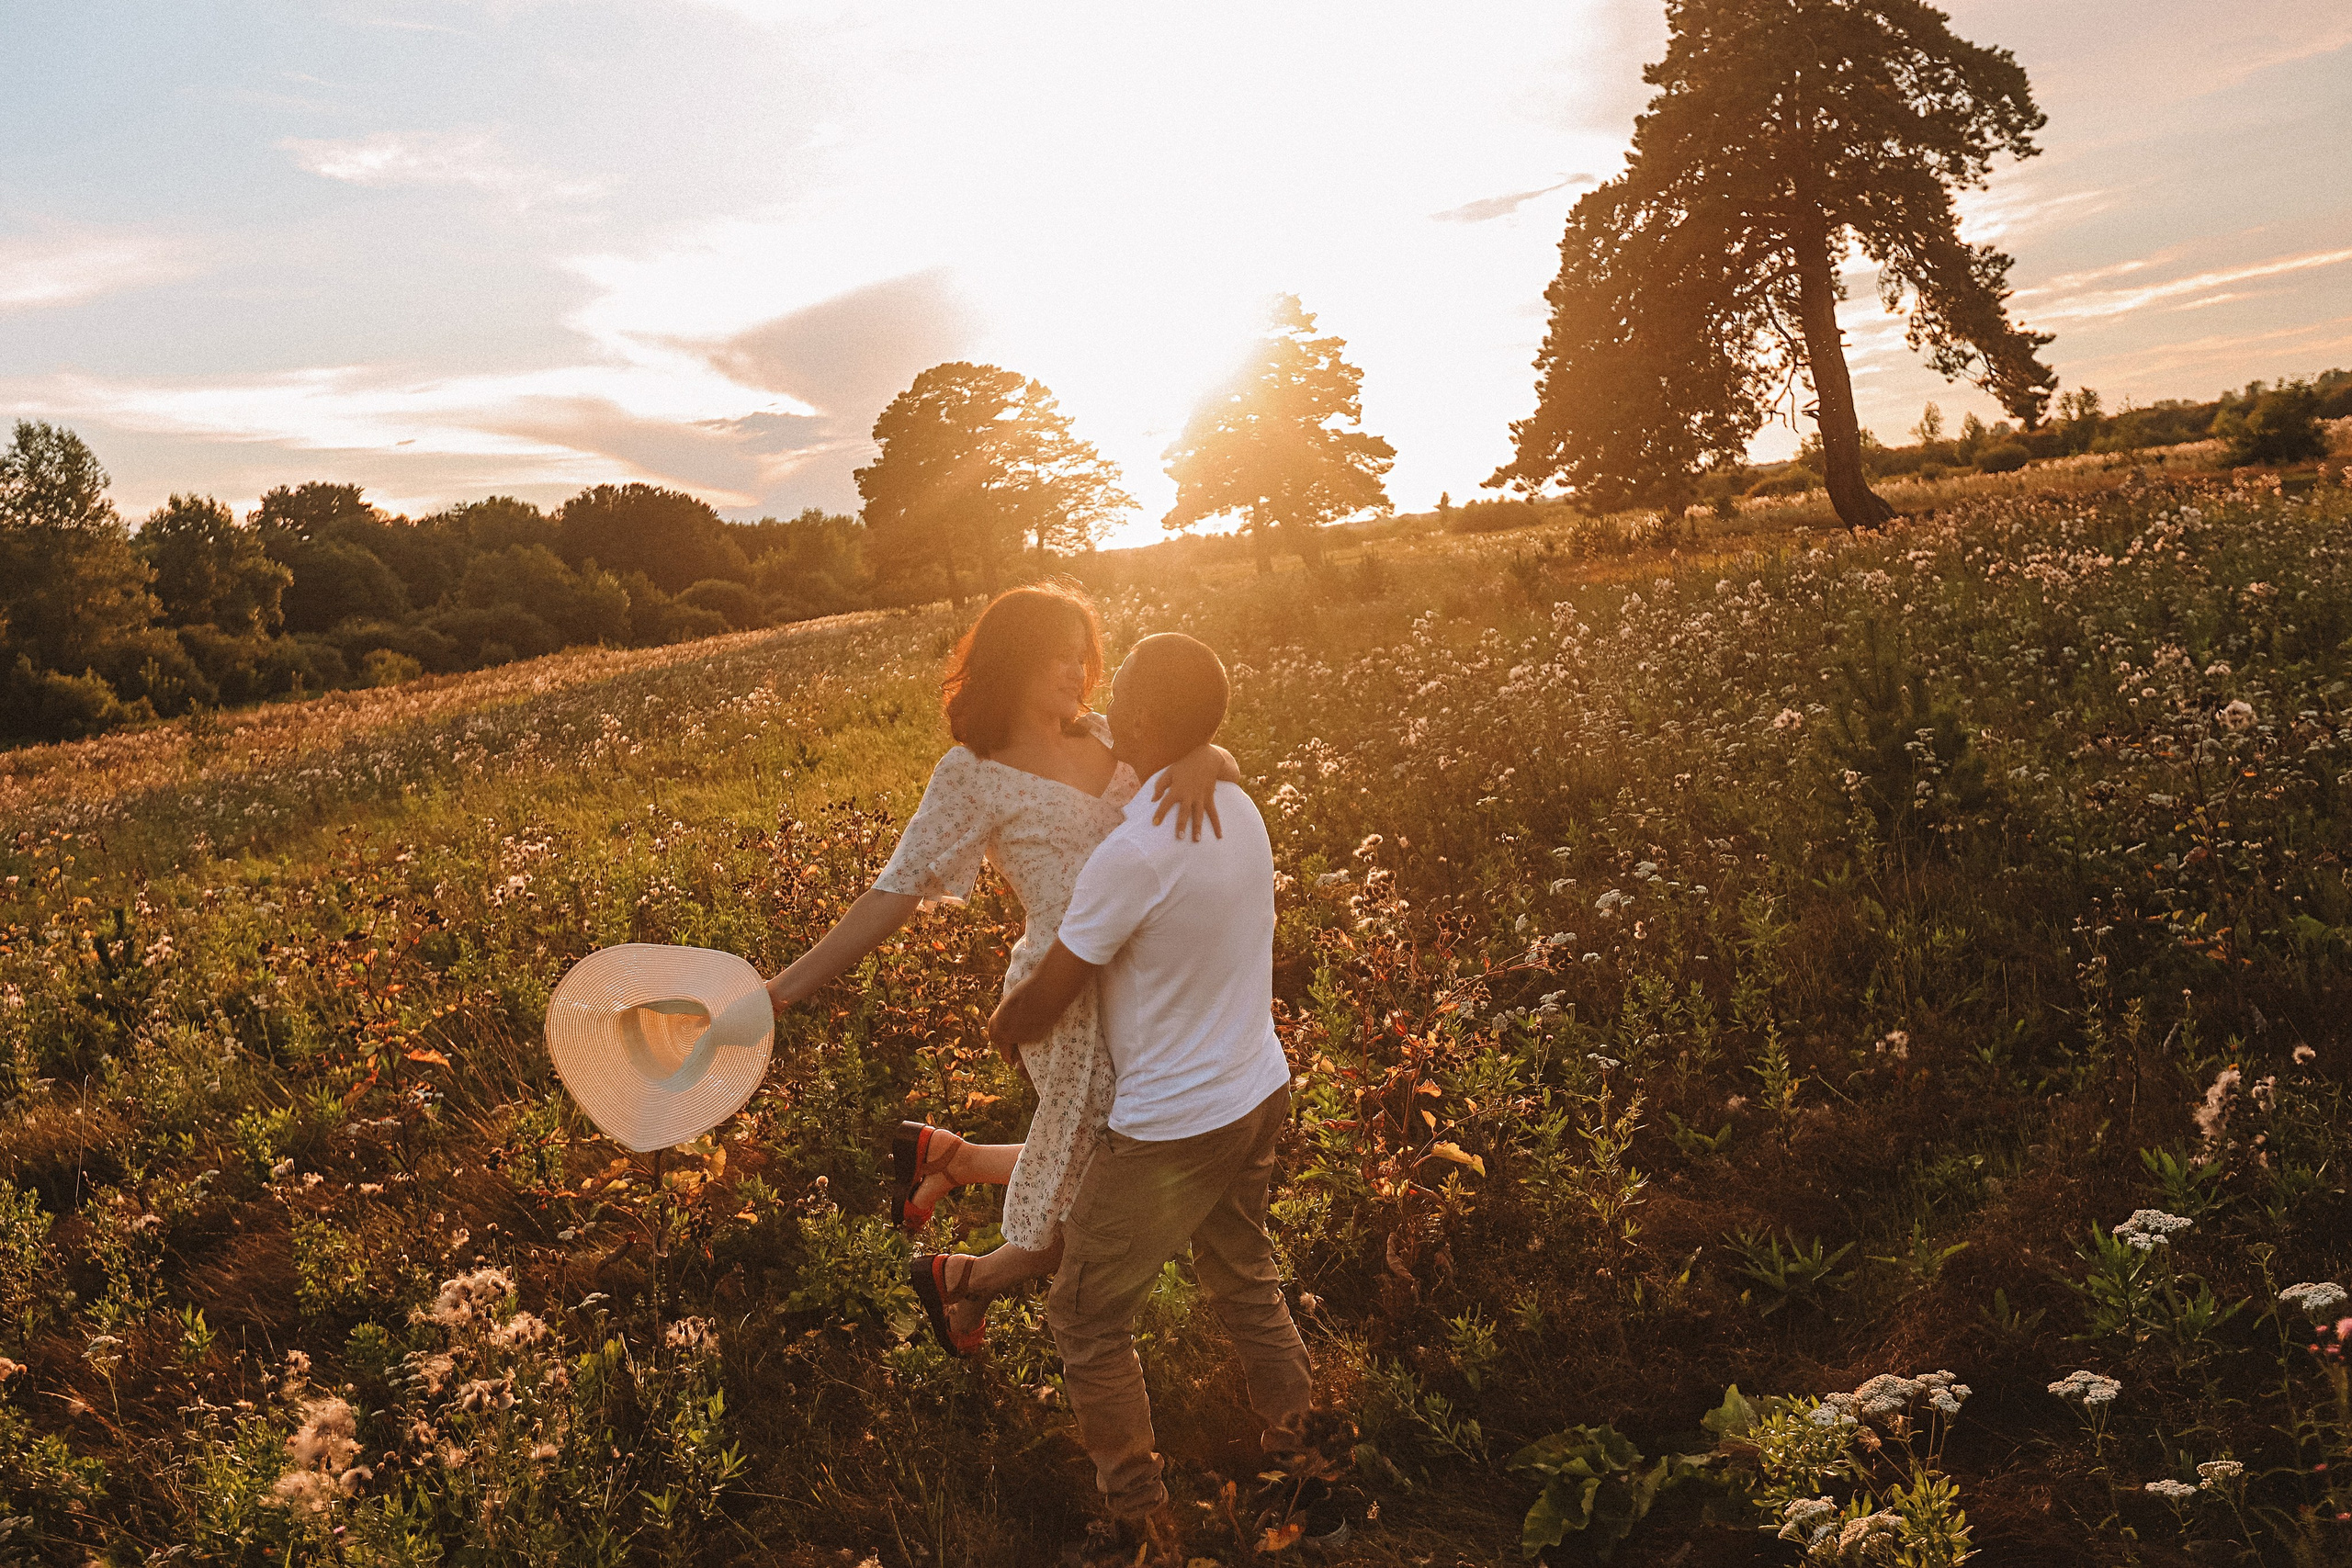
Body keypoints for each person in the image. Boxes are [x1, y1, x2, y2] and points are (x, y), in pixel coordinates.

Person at [763, 584, 1237, 1354]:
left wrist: (1203, 758)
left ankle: (955, 1181)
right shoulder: (973, 774)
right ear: (1015, 660)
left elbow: (1193, 743)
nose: (1078, 670)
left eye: (1083, 655)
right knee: (1106, 1184)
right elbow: (893, 893)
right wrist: (782, 990)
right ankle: (963, 1277)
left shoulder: (1110, 737)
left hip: (1147, 985)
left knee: (1117, 1156)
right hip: (1063, 997)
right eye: (1060, 655)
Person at [988, 632, 1312, 1556]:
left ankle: (1138, 1519)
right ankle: (1307, 1461)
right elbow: (1193, 745)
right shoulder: (1235, 803)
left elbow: (1048, 997)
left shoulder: (1130, 855)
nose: (1106, 696)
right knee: (1245, 1279)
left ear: (1143, 718)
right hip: (1258, 1087)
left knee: (1085, 1317)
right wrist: (1211, 754)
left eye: (1121, 687)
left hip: (1174, 1126)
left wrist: (1002, 1023)